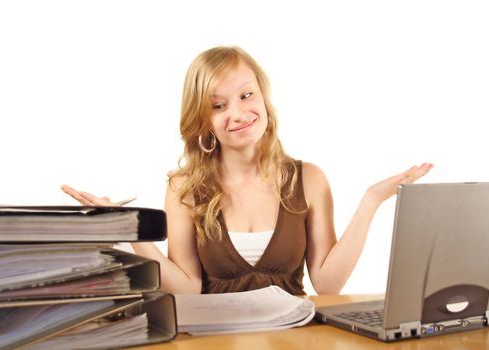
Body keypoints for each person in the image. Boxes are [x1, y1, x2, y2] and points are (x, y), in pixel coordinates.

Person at [62, 46, 433, 295]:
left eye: (246, 95)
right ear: (202, 121)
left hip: (297, 340)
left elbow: (328, 285)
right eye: (218, 105)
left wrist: (371, 201)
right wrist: (131, 229)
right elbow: (187, 287)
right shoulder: (184, 188)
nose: (238, 113)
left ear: (264, 98)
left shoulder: (309, 180)